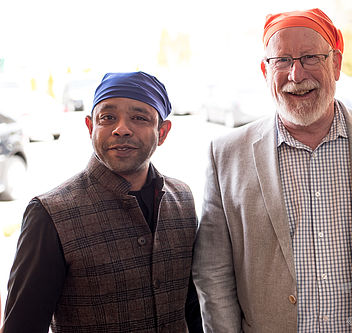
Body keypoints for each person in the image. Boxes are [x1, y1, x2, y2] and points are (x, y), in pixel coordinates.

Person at [192, 8, 352, 333]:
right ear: (265, 71)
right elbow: (213, 272)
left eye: (310, 57)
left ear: (335, 63)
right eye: (282, 60)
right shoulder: (225, 155)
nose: (296, 74)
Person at [3, 72, 203, 333]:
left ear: (162, 132)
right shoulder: (50, 213)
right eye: (108, 117)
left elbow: (192, 307)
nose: (121, 128)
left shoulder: (182, 199)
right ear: (90, 127)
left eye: (139, 118)